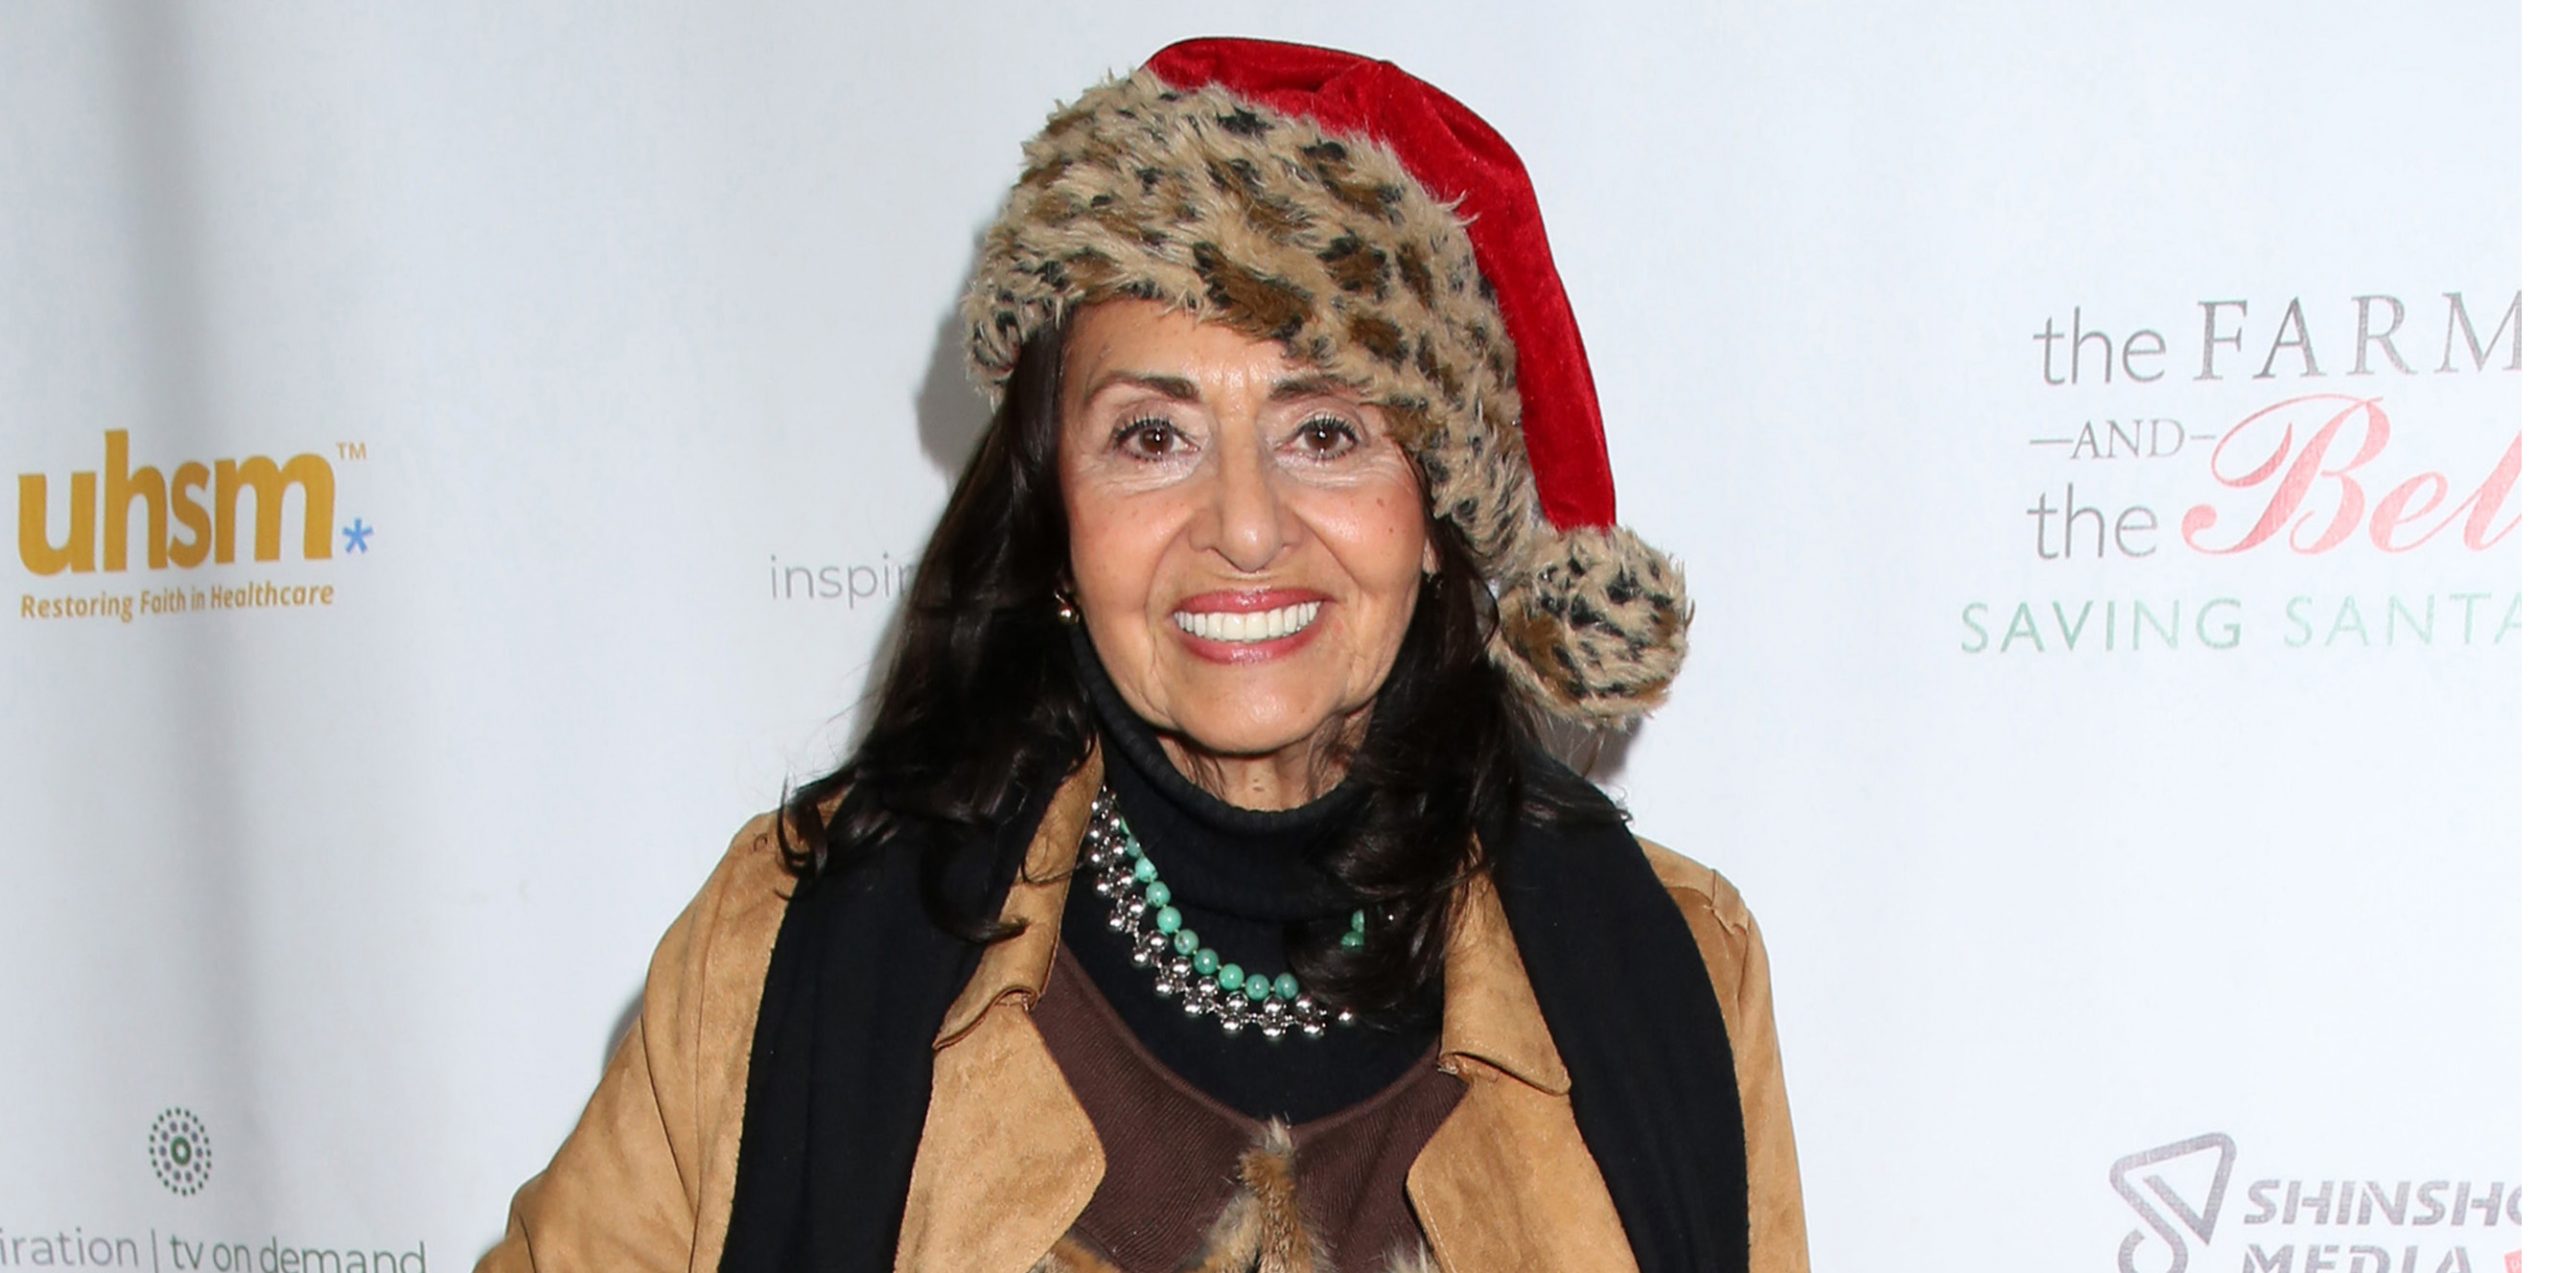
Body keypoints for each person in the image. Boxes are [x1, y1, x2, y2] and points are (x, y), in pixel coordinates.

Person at [477, 36, 1807, 1273]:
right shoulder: (782, 946)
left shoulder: (1674, 968)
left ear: (1436, 521)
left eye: (1326, 433)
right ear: (1058, 519)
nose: (1244, 527)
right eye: (1152, 436)